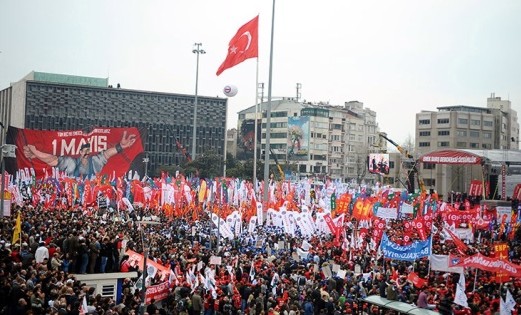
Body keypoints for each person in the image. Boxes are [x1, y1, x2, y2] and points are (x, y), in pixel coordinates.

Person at [23, 130, 137, 178]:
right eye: (84, 152)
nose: (86, 154)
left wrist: (121, 146)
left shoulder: (95, 163)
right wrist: (36, 152)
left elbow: (107, 154)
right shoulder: (71, 164)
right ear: (80, 152)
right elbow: (52, 160)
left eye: (88, 152)